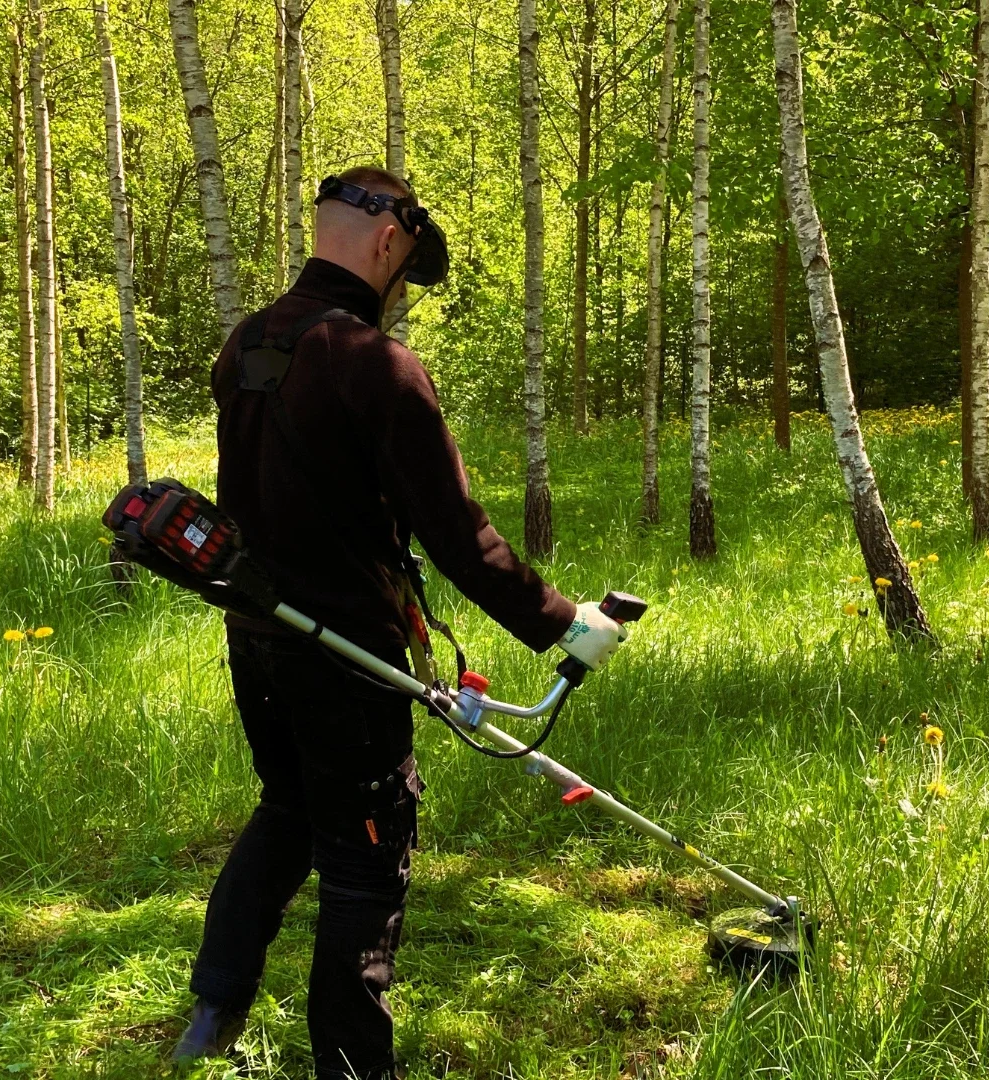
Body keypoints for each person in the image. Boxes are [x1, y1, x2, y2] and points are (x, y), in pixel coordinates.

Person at [174, 166, 627, 1077]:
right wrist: (564, 621)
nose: (402, 298)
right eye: (406, 272)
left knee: (289, 810)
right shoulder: (377, 364)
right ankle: (352, 1069)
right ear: (389, 242)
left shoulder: (249, 345)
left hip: (256, 638)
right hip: (346, 659)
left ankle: (214, 1004)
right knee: (363, 862)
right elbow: (461, 539)